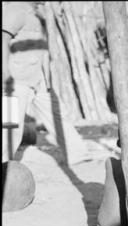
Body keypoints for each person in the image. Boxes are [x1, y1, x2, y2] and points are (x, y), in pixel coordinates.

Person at [2, 1, 89, 166]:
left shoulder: (38, 12)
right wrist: (4, 73)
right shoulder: (16, 8)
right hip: (16, 79)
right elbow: (3, 38)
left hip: (40, 79)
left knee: (58, 116)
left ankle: (77, 154)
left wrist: (47, 77)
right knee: (10, 125)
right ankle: (3, 162)